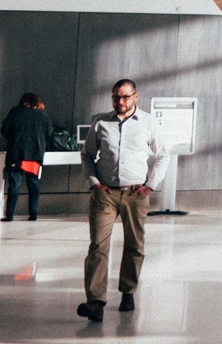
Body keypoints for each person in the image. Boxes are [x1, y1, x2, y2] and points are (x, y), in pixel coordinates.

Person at [77, 79, 166, 322]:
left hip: (135, 193)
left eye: (125, 97)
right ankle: (95, 302)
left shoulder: (148, 122)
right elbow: (87, 156)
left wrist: (150, 185)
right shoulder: (100, 122)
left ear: (136, 97)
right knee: (97, 245)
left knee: (134, 244)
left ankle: (128, 291)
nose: (120, 102)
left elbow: (162, 155)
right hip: (105, 194)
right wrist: (94, 183)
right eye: (116, 97)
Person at [0, 92, 50, 221]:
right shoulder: (43, 115)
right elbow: (49, 132)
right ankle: (33, 214)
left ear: (23, 102)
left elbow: (5, 130)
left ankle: (9, 215)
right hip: (34, 156)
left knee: (14, 184)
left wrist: (14, 139)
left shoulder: (16, 111)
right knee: (33, 183)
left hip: (16, 154)